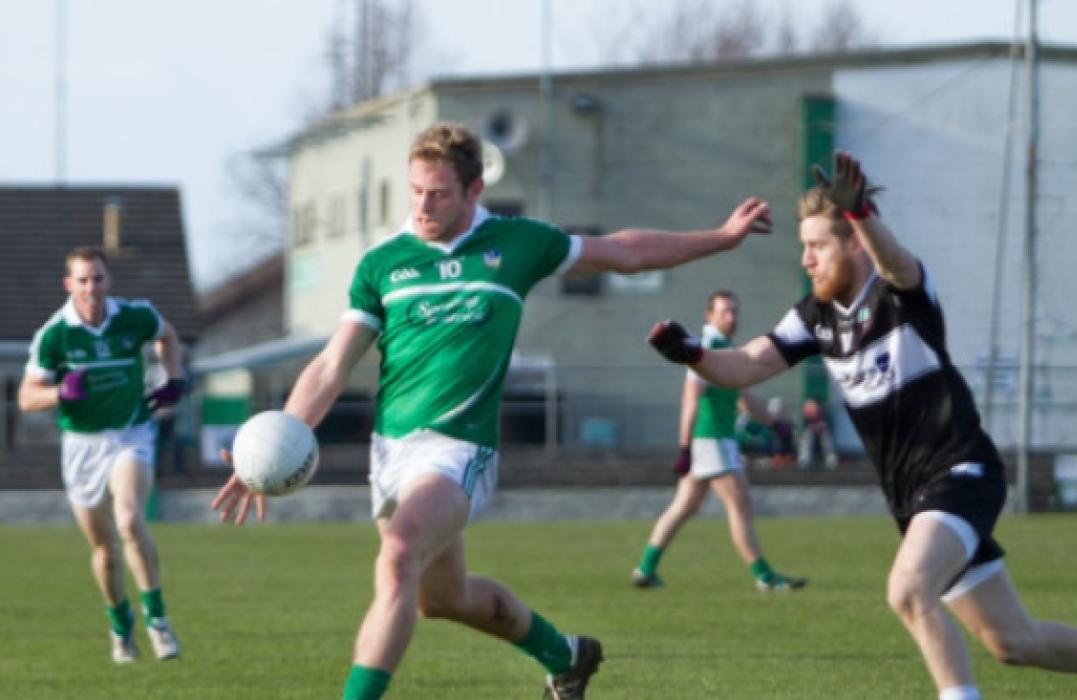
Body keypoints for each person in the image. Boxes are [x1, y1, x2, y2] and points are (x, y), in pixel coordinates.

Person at [211, 122, 773, 700]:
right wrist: (275, 446)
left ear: (475, 190)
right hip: (391, 455)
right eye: (415, 191)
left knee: (397, 557)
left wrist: (719, 237)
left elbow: (622, 252)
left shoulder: (517, 243)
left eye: (439, 193)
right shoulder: (383, 264)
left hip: (459, 450)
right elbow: (331, 366)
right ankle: (566, 655)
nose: (423, 206)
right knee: (442, 600)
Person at [647, 152, 1077, 700]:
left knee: (906, 589)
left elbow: (896, 261)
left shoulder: (901, 294)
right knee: (1014, 642)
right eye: (803, 246)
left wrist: (862, 214)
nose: (805, 259)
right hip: (913, 497)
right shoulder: (814, 318)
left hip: (961, 471)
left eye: (817, 245)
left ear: (852, 241)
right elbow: (749, 364)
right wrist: (690, 354)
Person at [19, 246, 186, 664]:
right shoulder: (55, 335)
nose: (90, 287)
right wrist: (58, 392)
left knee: (130, 517)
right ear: (69, 285)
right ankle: (120, 625)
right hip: (82, 446)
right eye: (82, 280)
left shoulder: (135, 315)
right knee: (105, 549)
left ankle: (158, 621)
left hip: (130, 433)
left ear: (108, 281)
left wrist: (175, 379)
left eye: (97, 278)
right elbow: (25, 396)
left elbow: (168, 336)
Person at [632, 290, 805, 591]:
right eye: (725, 311)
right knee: (741, 505)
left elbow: (742, 396)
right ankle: (765, 577)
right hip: (711, 439)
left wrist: (774, 424)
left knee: (683, 507)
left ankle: (645, 569)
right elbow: (690, 399)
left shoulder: (723, 348)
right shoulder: (706, 347)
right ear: (708, 315)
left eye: (735, 311)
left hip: (712, 441)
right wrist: (684, 446)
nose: (732, 317)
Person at [798, 398, 838, 470]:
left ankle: (830, 458)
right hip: (812, 430)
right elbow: (805, 425)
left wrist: (821, 425)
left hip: (823, 430)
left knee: (826, 437)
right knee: (806, 436)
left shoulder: (825, 412)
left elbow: (829, 424)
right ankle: (804, 459)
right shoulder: (807, 411)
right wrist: (812, 427)